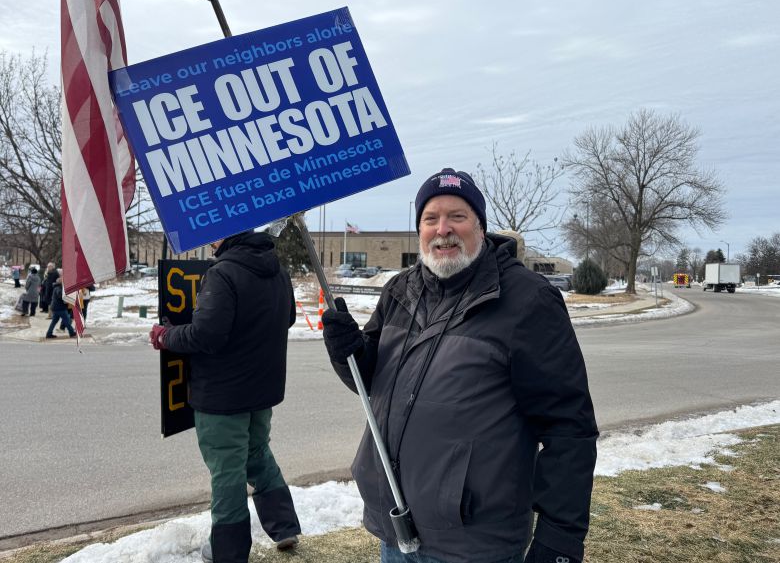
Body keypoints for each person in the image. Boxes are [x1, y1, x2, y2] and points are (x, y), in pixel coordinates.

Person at [322, 169, 599, 563]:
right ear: (419, 230)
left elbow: (568, 427)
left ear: (480, 227)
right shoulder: (400, 290)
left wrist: (560, 540)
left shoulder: (527, 301)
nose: (443, 229)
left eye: (457, 216)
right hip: (396, 528)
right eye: (430, 218)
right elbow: (374, 386)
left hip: (474, 544)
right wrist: (348, 353)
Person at [148, 230, 301, 563]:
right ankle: (284, 526)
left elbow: (206, 335)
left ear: (225, 236)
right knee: (257, 453)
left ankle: (227, 551)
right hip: (262, 388)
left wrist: (165, 336)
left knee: (227, 470)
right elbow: (287, 318)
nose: (209, 242)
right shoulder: (278, 270)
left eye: (212, 236)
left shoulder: (222, 273)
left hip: (222, 394)